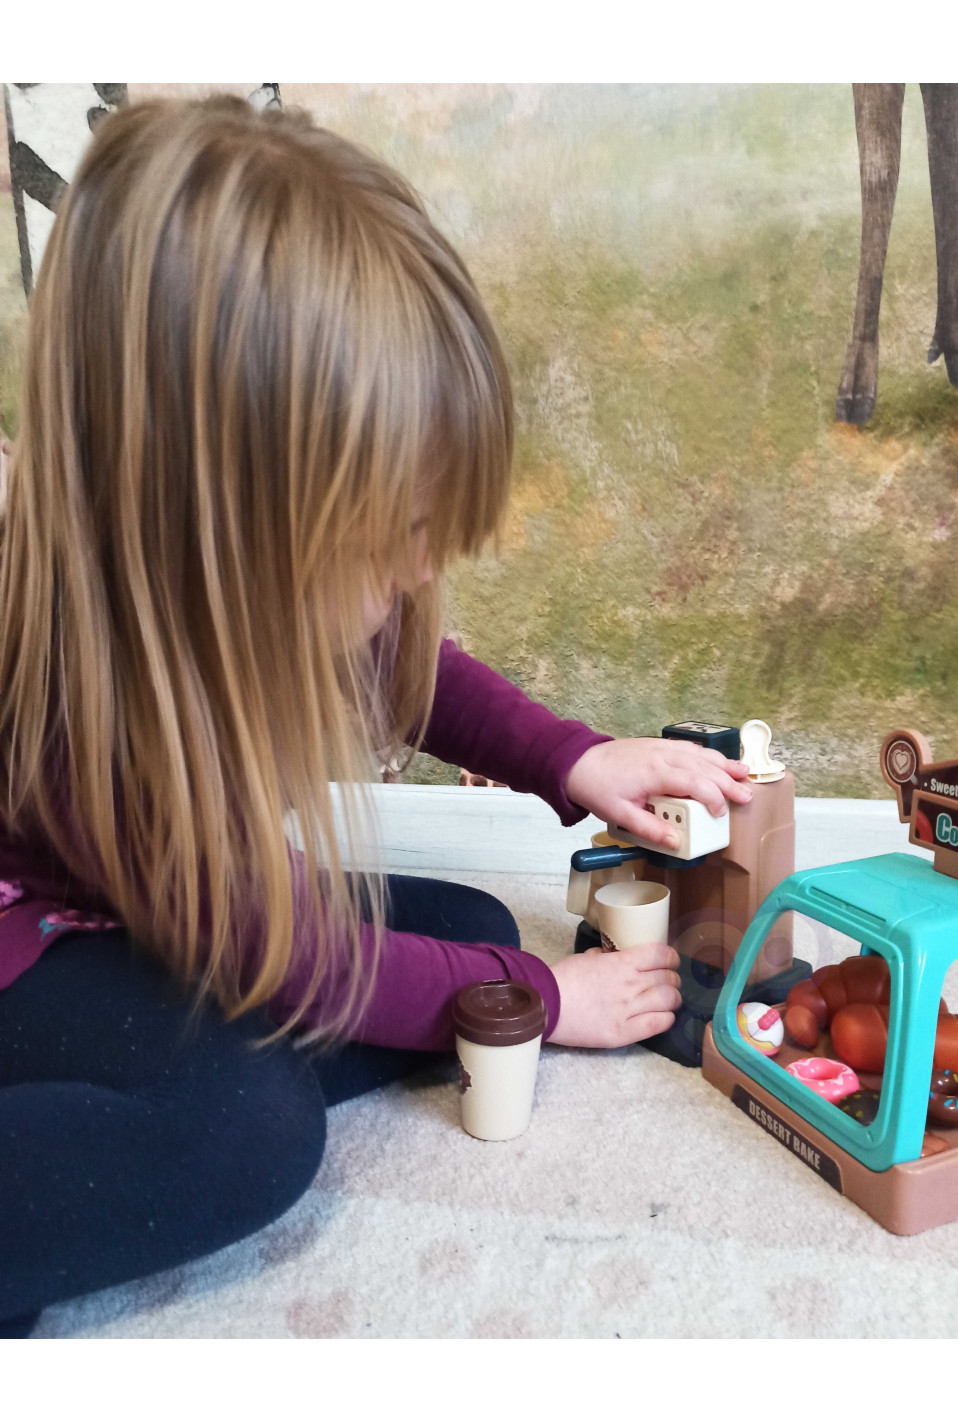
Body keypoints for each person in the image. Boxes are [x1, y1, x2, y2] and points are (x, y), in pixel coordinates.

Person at [0, 95, 752, 1337]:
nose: (416, 571)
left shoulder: (233, 586)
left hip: (142, 899)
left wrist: (570, 758)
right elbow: (287, 955)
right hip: (29, 944)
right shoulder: (93, 698)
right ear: (207, 524)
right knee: (245, 1130)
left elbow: (403, 667)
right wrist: (544, 1000)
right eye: (388, 537)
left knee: (462, 936)